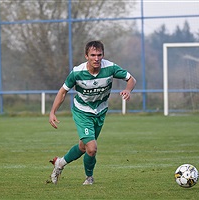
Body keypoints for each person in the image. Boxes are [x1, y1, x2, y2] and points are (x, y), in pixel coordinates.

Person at [48, 40, 136, 185]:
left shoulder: (110, 68)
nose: (96, 58)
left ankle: (60, 163)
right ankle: (89, 178)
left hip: (100, 112)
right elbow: (63, 92)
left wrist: (128, 89)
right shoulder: (77, 72)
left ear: (103, 55)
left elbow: (131, 79)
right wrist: (52, 112)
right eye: (93, 55)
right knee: (92, 148)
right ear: (86, 56)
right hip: (82, 111)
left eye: (99, 55)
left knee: (84, 147)